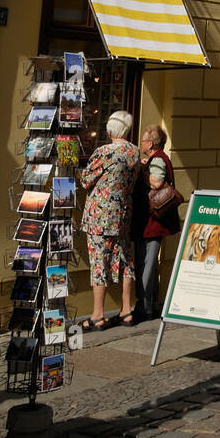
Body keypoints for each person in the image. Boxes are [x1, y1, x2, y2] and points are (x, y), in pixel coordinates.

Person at [79, 110, 141, 329]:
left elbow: (86, 180)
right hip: (123, 214)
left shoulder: (105, 152)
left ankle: (98, 314)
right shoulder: (134, 151)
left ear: (110, 129)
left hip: (101, 215)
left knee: (99, 262)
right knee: (125, 260)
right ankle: (126, 310)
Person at [132, 125, 179, 321]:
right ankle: (149, 303)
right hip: (153, 220)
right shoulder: (157, 158)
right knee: (147, 262)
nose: (141, 143)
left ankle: (145, 306)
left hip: (152, 220)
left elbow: (157, 182)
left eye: (143, 140)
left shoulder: (158, 158)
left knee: (147, 263)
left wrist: (142, 171)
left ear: (150, 143)